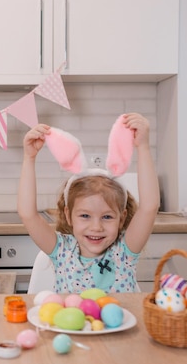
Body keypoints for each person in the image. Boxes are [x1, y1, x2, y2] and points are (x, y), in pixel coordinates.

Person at [18, 113, 160, 293]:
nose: (96, 227)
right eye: (85, 216)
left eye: (107, 217)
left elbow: (149, 207)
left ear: (122, 218)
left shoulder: (124, 251)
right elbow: (27, 214)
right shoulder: (62, 250)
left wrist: (143, 147)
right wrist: (29, 159)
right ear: (69, 215)